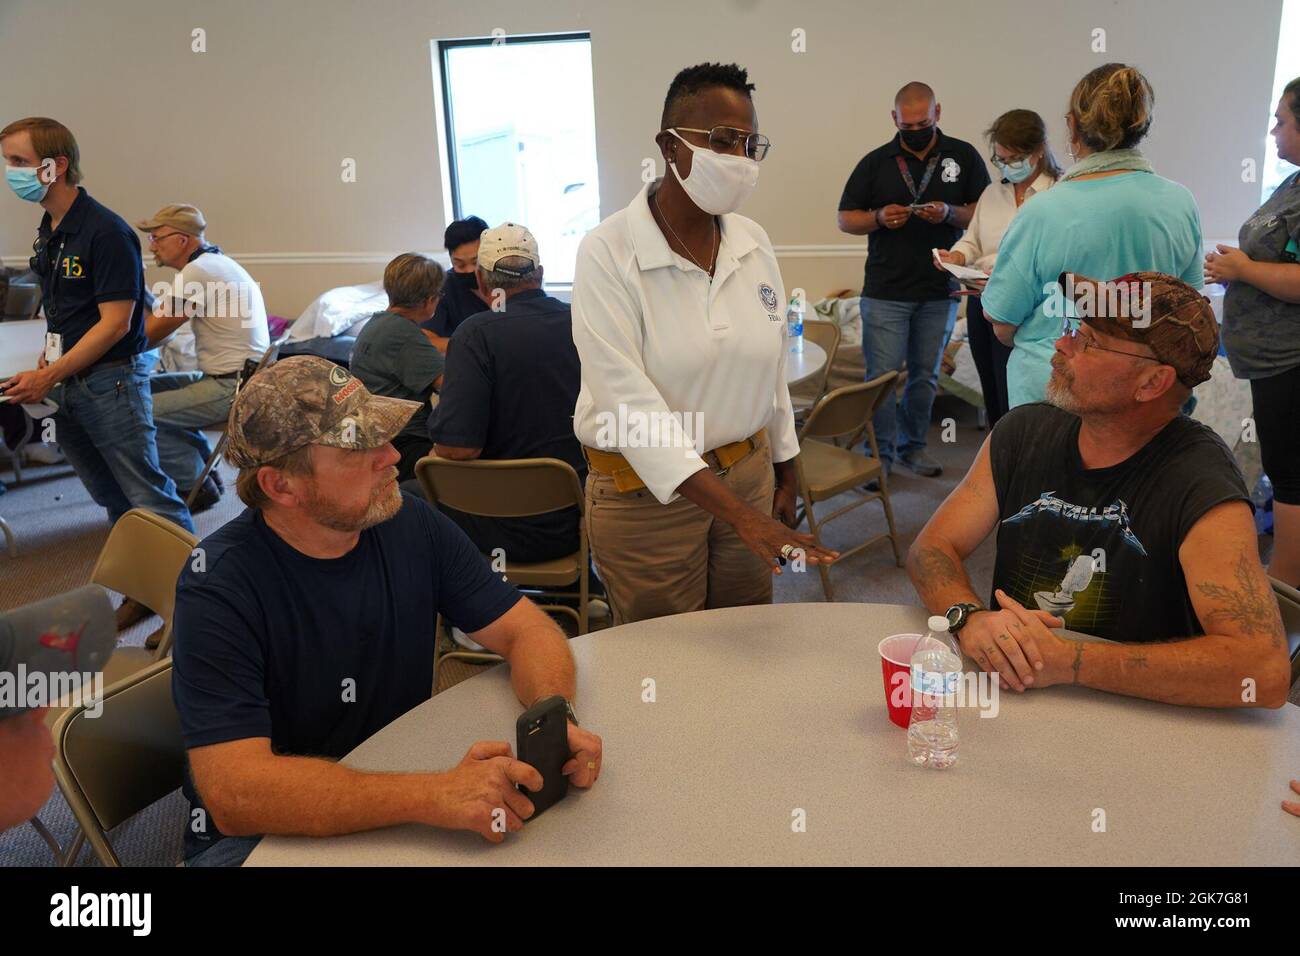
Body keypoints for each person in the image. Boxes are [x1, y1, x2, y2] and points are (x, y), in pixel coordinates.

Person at [171, 356, 603, 866]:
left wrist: (554, 720)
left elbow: (524, 629)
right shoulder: (219, 586)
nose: (393, 456)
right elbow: (236, 796)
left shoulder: (408, 522)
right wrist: (431, 796)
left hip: (392, 780)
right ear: (280, 486)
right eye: (360, 447)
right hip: (262, 836)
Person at [906, 272, 1291, 708]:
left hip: (1139, 723)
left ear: (1151, 383)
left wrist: (1070, 661)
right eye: (1074, 328)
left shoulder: (1200, 482)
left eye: (1089, 341)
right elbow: (931, 548)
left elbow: (1264, 672)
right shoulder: (1022, 431)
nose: (1061, 345)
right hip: (1019, 701)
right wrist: (967, 617)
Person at [571, 62, 836, 625]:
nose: (740, 158)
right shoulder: (608, 252)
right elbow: (630, 406)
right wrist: (743, 517)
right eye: (721, 141)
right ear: (670, 145)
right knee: (665, 659)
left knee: (746, 639)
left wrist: (784, 468)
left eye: (750, 144)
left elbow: (770, 366)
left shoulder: (751, 241)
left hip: (747, 473)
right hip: (646, 498)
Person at [0, 117, 193, 532]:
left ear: (57, 165)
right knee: (110, 496)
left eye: (19, 161)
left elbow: (115, 326)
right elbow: (67, 310)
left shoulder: (105, 232)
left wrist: (49, 373)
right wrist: (47, 363)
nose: (10, 172)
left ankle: (191, 591)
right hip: (67, 381)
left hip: (110, 383)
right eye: (7, 162)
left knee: (148, 496)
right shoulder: (51, 228)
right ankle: (144, 588)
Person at [980, 64, 1203, 409]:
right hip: (1146, 397)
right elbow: (1189, 310)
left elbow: (1002, 322)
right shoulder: (1180, 202)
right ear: (1144, 124)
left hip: (1055, 397)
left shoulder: (1043, 211)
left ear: (1071, 125)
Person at [837, 82, 990, 479]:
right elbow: (845, 217)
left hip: (938, 290)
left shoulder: (964, 156)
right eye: (907, 125)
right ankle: (878, 458)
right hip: (885, 291)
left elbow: (983, 213)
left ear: (938, 113)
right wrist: (877, 218)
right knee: (881, 381)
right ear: (894, 120)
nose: (916, 129)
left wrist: (949, 214)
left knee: (924, 377)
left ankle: (913, 447)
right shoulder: (876, 162)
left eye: (923, 122)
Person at [427, 223, 584, 564]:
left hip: (502, 524)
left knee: (407, 497)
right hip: (580, 519)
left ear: (482, 281)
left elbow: (458, 447)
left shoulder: (474, 335)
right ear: (539, 274)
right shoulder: (583, 323)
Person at [1206, 75, 1300, 589]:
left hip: (1290, 358)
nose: (1272, 131)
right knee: (1285, 472)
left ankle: (1286, 585)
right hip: (1270, 358)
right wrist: (1236, 265)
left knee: (1290, 477)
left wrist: (1242, 270)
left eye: (1282, 121)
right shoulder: (1292, 183)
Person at [136, 203, 270, 510]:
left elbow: (152, 333)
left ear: (182, 240)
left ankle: (193, 485)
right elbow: (163, 328)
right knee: (143, 391)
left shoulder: (200, 271)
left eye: (157, 238)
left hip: (232, 387)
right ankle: (204, 475)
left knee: (141, 412)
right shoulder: (215, 264)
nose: (152, 246)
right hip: (235, 379)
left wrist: (96, 351)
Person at [935, 110, 1060, 427]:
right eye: (1000, 158)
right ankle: (999, 458)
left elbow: (1061, 255)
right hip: (981, 300)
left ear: (1038, 151)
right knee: (993, 393)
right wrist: (958, 257)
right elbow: (972, 242)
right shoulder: (992, 194)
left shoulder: (1059, 194)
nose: (1006, 165)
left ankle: (1024, 461)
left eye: (1014, 158)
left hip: (1033, 307)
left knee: (1024, 397)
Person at [349, 253, 446, 481]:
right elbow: (451, 385)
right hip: (405, 443)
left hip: (378, 438)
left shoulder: (376, 324)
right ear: (428, 300)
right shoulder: (404, 334)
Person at [421, 215, 490, 340]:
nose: (469, 270)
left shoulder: (505, 283)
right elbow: (428, 341)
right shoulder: (442, 287)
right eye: (460, 264)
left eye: (476, 262)